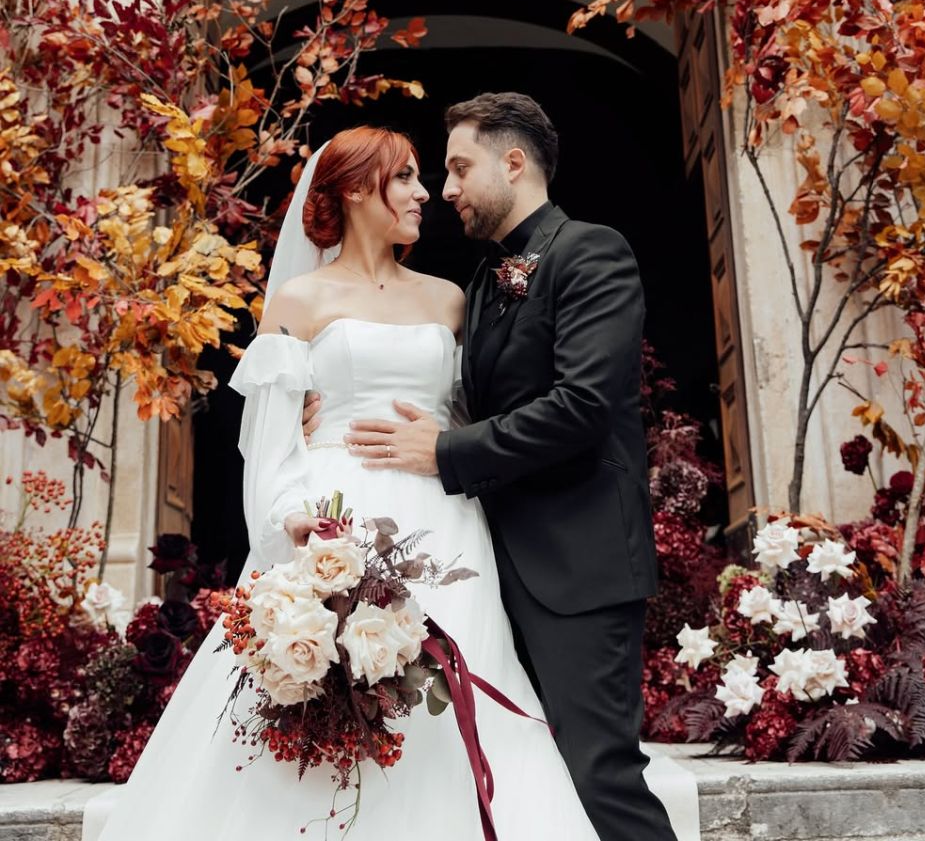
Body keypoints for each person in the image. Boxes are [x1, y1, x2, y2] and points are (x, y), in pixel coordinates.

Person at [88, 124, 600, 841]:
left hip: (443, 525)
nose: (427, 193)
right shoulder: (299, 301)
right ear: (358, 188)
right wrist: (296, 522)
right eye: (407, 178)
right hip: (334, 519)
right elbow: (267, 445)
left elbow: (474, 412)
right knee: (325, 696)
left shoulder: (451, 299)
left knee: (453, 699)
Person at [309, 94, 678, 841]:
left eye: (458, 167)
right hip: (489, 564)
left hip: (579, 566)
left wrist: (445, 450)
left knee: (597, 774)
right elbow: (465, 401)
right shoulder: (480, 285)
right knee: (523, 782)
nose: (444, 190)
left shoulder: (590, 251)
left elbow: (580, 406)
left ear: (514, 163)